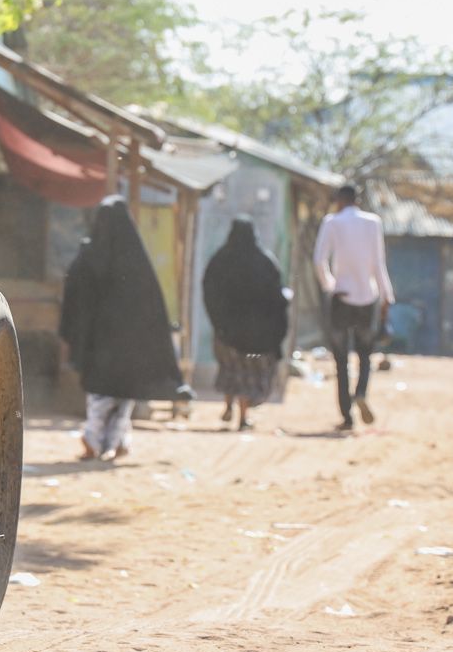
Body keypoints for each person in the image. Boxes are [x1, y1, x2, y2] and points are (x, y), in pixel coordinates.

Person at [57, 196, 187, 461]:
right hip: (128, 345)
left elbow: (74, 295)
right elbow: (152, 306)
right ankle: (114, 442)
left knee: (100, 393)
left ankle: (97, 440)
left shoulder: (89, 256)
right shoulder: (136, 260)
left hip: (99, 342)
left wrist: (76, 332)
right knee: (124, 394)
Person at [313, 184, 393, 430]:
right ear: (357, 200)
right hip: (367, 297)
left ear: (339, 200)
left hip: (342, 297)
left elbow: (318, 260)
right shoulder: (373, 223)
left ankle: (347, 416)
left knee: (341, 360)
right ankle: (361, 393)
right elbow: (378, 263)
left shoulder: (332, 222)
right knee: (365, 356)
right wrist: (386, 295)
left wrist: (330, 285)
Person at [201, 218, 289, 432]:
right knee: (246, 374)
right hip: (254, 335)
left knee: (230, 369)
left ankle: (228, 405)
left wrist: (219, 320)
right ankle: (242, 417)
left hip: (227, 332)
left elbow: (208, 289)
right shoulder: (264, 261)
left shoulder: (220, 260)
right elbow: (277, 295)